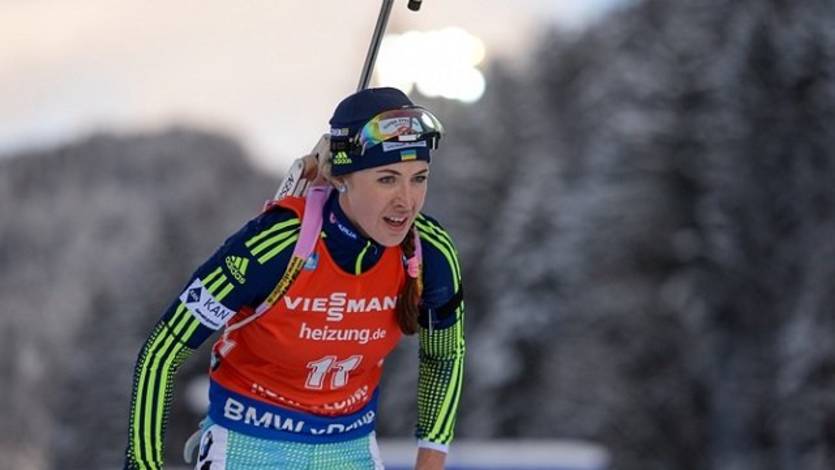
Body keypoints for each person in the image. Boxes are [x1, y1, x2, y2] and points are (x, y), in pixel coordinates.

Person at [124, 87, 465, 470]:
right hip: (247, 445)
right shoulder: (277, 244)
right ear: (343, 177)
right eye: (387, 179)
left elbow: (444, 355)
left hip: (348, 449)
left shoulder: (427, 249)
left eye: (419, 178)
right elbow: (162, 352)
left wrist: (431, 460)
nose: (406, 200)